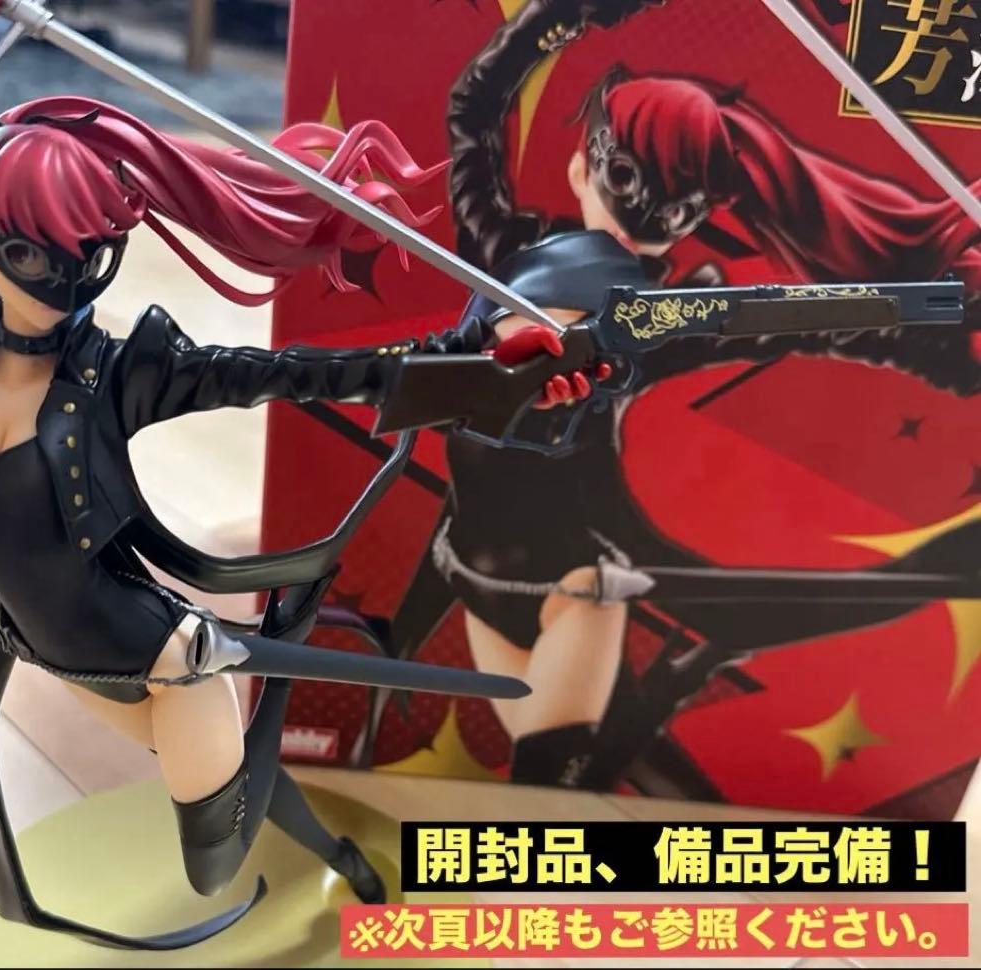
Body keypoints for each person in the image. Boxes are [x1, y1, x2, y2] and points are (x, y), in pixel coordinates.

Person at [0, 0, 606, 947]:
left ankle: (279, 755)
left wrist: (474, 363)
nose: (56, 277)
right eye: (32, 248)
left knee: (215, 863)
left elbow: (299, 373)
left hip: (163, 669)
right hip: (32, 642)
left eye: (83, 252)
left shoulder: (121, 374)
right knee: (226, 809)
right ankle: (314, 825)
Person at [379, 0, 981, 790]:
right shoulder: (503, 251)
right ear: (582, 168)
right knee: (584, 771)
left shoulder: (664, 320)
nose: (647, 219)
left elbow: (814, 323)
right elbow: (474, 107)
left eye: (678, 206)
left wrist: (940, 334)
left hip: (577, 587)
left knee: (552, 780)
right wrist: (557, 19)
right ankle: (677, 684)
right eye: (632, 181)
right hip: (472, 570)